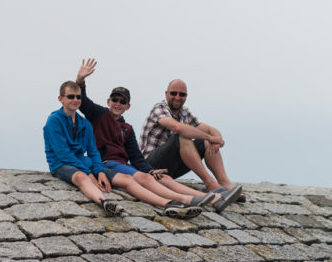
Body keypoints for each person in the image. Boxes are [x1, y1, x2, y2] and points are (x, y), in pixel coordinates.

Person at [75, 59, 241, 214]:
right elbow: (83, 102)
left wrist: (151, 170)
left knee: (164, 178)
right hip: (107, 164)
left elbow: (135, 156)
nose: (118, 103)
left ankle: (214, 197)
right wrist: (80, 80)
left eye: (122, 101)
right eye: (115, 99)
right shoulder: (99, 114)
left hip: (130, 165)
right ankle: (188, 199)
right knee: (174, 143)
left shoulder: (127, 128)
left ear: (128, 106)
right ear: (108, 101)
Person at [140, 78, 245, 201]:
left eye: (182, 94)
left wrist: (217, 140)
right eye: (173, 93)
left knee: (205, 142)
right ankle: (211, 184)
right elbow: (177, 127)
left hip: (171, 168)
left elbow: (210, 129)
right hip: (151, 165)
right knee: (182, 135)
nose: (177, 97)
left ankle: (226, 184)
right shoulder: (159, 108)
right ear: (166, 94)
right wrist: (210, 137)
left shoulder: (184, 112)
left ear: (186, 96)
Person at [43, 80, 123, 216]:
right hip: (60, 164)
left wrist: (100, 171)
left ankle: (167, 201)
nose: (75, 99)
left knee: (121, 177)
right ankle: (104, 202)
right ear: (60, 99)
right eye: (71, 96)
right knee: (81, 176)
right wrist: (88, 173)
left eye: (78, 97)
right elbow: (63, 154)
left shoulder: (85, 123)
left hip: (82, 162)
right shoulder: (54, 121)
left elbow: (93, 151)